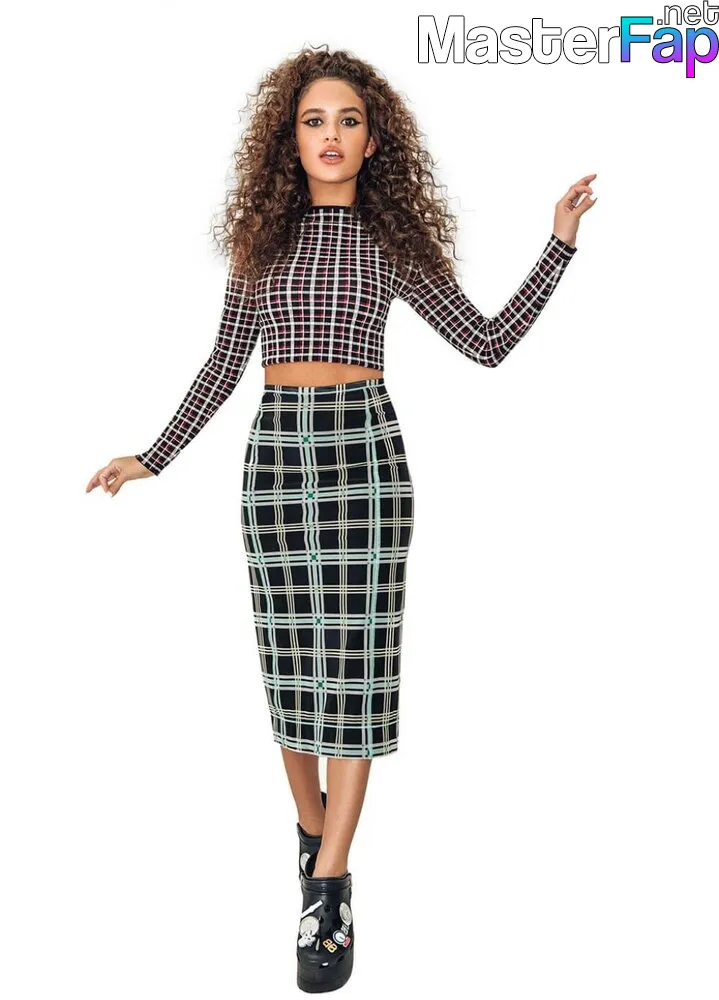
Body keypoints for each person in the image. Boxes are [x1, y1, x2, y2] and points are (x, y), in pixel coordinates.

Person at [85, 46, 595, 993]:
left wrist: (556, 244)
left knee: (355, 667)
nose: (330, 135)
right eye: (314, 120)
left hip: (365, 455)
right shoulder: (261, 245)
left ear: (373, 141)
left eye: (349, 121)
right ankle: (314, 832)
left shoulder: (389, 243)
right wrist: (153, 455)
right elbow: (222, 365)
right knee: (289, 661)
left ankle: (328, 889)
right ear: (289, 139)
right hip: (276, 456)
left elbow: (486, 343)